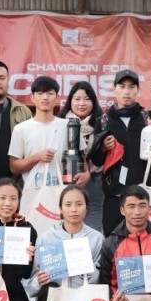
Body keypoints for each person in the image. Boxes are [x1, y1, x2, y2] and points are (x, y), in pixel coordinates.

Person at [26, 185, 104, 301]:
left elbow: (100, 281)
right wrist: (39, 281)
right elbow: (32, 287)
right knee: (50, 288)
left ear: (87, 208)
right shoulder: (46, 238)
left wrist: (86, 271)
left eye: (79, 204)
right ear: (60, 208)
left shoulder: (96, 238)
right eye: (68, 204)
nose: (74, 209)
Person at [87, 70, 151, 234]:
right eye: (122, 86)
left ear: (138, 90)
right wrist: (104, 147)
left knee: (147, 242)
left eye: (131, 87)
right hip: (115, 196)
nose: (126, 91)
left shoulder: (148, 119)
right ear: (114, 89)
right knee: (114, 242)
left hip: (145, 191)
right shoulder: (103, 121)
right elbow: (97, 161)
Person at [9, 75, 70, 192]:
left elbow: (82, 160)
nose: (45, 97)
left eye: (50, 93)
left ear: (57, 97)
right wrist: (37, 157)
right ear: (32, 97)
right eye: (40, 93)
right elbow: (14, 167)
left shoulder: (68, 126)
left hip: (64, 196)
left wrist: (86, 174)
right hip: (32, 195)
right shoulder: (21, 129)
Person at [59, 81, 105, 230]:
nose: (82, 103)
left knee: (93, 223)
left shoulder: (102, 124)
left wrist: (89, 173)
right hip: (65, 180)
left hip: (96, 182)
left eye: (87, 99)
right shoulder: (59, 123)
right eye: (77, 99)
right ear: (70, 101)